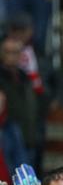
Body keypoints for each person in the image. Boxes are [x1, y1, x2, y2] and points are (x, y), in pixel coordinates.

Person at [0, 36, 40, 170]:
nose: (12, 56)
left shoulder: (25, 77)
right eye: (8, 52)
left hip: (29, 134)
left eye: (16, 52)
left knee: (29, 182)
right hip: (7, 134)